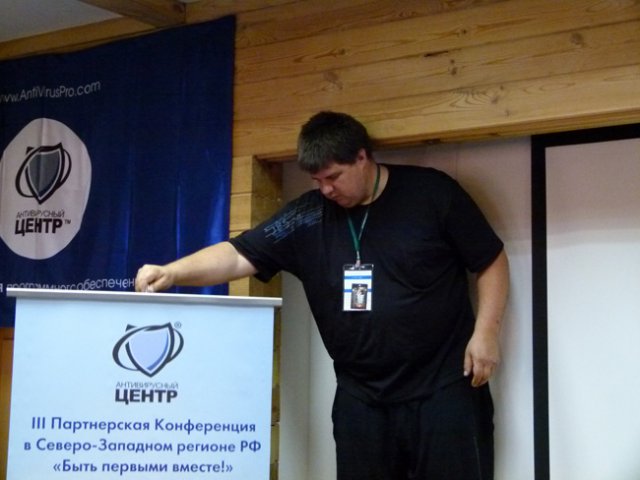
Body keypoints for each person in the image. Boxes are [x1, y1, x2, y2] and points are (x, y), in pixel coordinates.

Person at [135, 111, 509, 480]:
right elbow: (237, 255)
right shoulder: (308, 216)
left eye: (334, 177)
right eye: (317, 180)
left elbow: (490, 259)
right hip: (362, 398)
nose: (327, 190)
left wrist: (486, 332)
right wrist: (173, 272)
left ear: (362, 157)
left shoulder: (432, 193)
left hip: (444, 388)